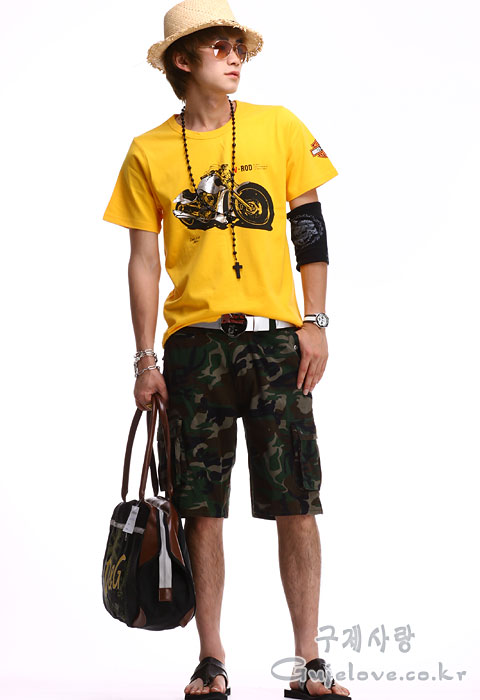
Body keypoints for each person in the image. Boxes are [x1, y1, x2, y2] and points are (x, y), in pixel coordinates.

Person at [103, 1, 351, 698]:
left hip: (276, 344)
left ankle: (308, 662)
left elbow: (310, 226)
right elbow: (143, 260)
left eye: (238, 45)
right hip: (194, 350)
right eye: (219, 46)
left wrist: (316, 320)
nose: (235, 55)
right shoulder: (148, 150)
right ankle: (211, 660)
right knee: (198, 505)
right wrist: (144, 359)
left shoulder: (279, 125)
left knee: (296, 499)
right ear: (183, 60)